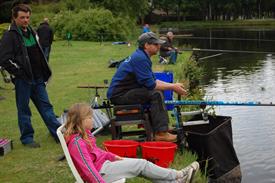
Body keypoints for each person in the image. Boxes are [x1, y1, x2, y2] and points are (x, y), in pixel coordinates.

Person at [65, 103, 200, 183]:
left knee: (142, 167)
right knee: (141, 164)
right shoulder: (77, 143)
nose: (93, 120)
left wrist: (112, 157)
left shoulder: (85, 135)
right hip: (101, 173)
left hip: (104, 166)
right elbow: (88, 171)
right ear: (80, 120)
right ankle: (178, 175)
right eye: (89, 118)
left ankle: (176, 181)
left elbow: (96, 152)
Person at [107, 32, 187, 142]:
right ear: (146, 45)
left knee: (158, 91)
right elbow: (152, 85)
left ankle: (161, 127)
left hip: (126, 91)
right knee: (156, 93)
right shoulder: (140, 58)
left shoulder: (142, 56)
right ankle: (161, 133)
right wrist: (173, 87)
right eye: (155, 44)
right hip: (119, 95)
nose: (159, 46)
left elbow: (153, 80)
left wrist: (173, 85)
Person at [0, 4, 60, 148]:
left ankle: (58, 134)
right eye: (22, 17)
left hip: (38, 78)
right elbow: (4, 59)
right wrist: (20, 73)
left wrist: (44, 72)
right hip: (23, 80)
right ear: (14, 18)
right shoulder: (10, 36)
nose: (26, 20)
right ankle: (27, 138)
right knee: (24, 109)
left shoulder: (32, 32)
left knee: (46, 106)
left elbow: (39, 54)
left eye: (27, 17)